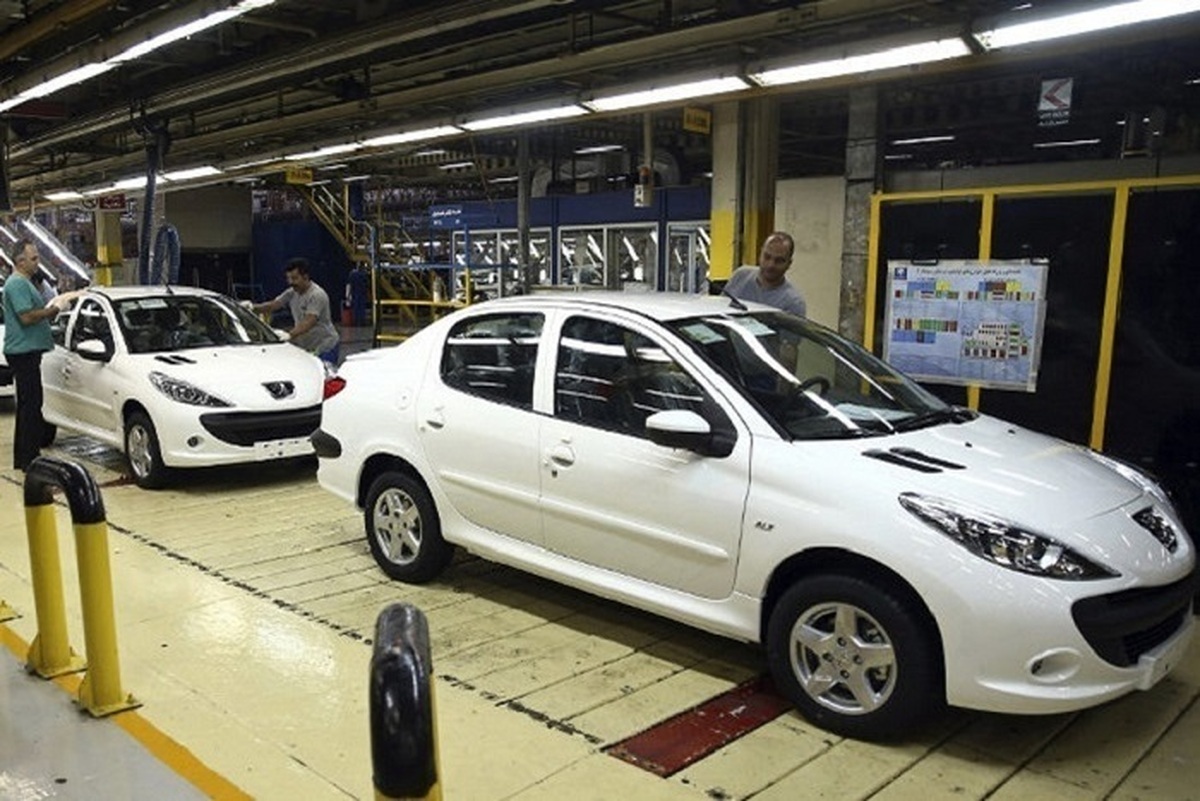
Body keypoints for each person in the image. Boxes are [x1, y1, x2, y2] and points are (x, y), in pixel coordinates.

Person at [2, 239, 76, 470]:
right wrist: (54, 310)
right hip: (23, 352)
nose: (37, 262)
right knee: (31, 406)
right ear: (20, 261)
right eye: (33, 258)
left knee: (28, 405)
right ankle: (29, 458)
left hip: (27, 352)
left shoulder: (23, 282)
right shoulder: (17, 284)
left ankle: (24, 456)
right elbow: (26, 317)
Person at [248, 257, 340, 363]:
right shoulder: (291, 293)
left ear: (305, 277)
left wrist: (290, 334)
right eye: (288, 278)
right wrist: (252, 307)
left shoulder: (317, 295)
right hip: (308, 347)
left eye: (294, 278)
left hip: (325, 346)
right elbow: (273, 305)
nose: (290, 282)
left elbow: (309, 321)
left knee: (323, 371)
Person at [724, 231, 807, 317]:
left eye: (779, 260)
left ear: (789, 264)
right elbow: (721, 307)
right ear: (760, 254)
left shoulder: (793, 303)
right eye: (767, 257)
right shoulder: (740, 275)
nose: (771, 265)